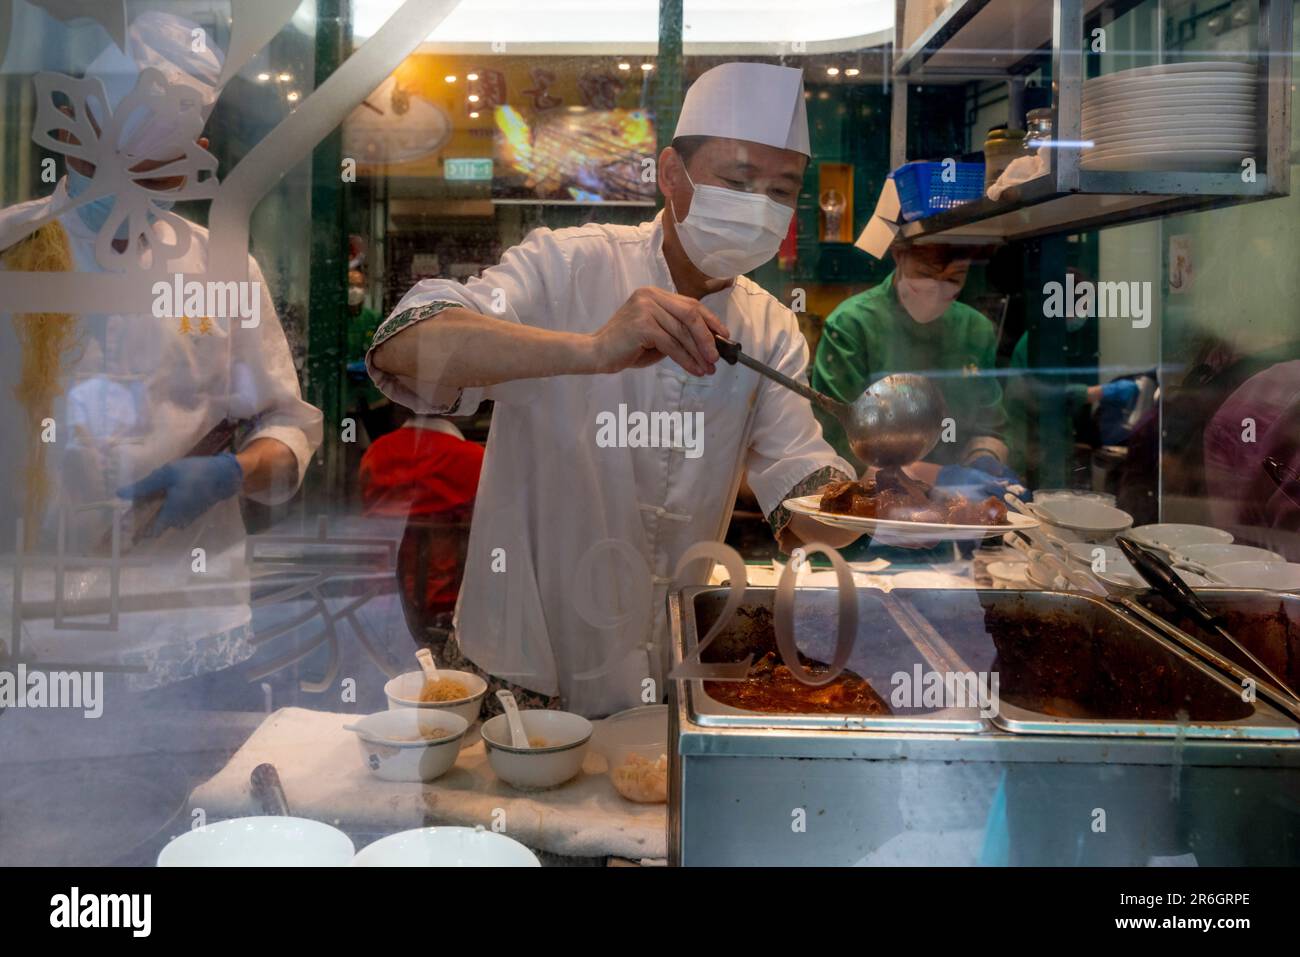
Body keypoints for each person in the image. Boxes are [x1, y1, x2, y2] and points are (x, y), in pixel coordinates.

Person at [368, 62, 860, 717]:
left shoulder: (769, 324)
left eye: (781, 190)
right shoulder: (569, 263)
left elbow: (801, 510)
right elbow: (406, 340)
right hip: (522, 656)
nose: (759, 207)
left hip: (665, 661)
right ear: (670, 175)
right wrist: (591, 349)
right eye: (739, 180)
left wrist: (883, 498)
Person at [0, 12, 322, 687]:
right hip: (27, 627)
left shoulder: (220, 267)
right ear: (79, 138)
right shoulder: (12, 253)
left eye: (156, 169)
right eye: (110, 160)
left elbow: (288, 421)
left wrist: (232, 474)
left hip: (186, 620)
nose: (130, 185)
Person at [811, 242, 1018, 500]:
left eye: (954, 278)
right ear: (899, 255)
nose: (936, 287)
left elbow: (990, 426)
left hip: (953, 512)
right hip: (866, 513)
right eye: (925, 273)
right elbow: (836, 443)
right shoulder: (851, 325)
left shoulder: (975, 330)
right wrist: (938, 477)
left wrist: (985, 462)